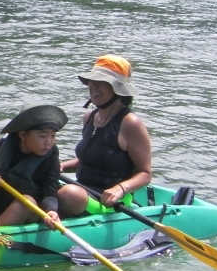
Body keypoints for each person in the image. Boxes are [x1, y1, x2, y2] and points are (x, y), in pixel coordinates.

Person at [57, 55, 152, 216]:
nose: (93, 87)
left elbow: (145, 173)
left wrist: (120, 189)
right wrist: (62, 166)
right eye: (92, 82)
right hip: (82, 190)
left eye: (101, 83)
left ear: (117, 89)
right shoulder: (89, 118)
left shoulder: (130, 123)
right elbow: (90, 160)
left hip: (111, 199)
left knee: (69, 194)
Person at [0, 104, 67, 226]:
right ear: (22, 135)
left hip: (31, 207)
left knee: (27, 201)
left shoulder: (51, 154)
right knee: (26, 202)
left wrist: (51, 210)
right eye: (42, 136)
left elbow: (50, 190)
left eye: (53, 136)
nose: (48, 142)